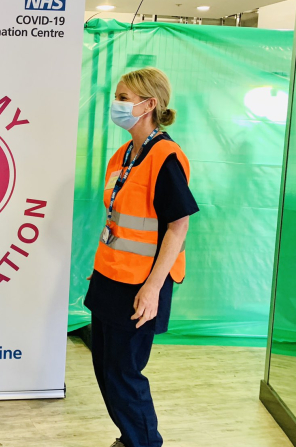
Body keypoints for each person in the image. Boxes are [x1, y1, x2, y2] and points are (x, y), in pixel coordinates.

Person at [84, 68, 198, 447]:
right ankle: (131, 437)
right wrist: (103, 268)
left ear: (149, 105)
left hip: (141, 286)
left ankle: (144, 442)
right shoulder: (122, 155)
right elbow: (119, 219)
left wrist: (152, 288)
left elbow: (178, 226)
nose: (115, 104)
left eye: (123, 97)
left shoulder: (165, 156)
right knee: (105, 366)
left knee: (124, 372)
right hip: (110, 277)